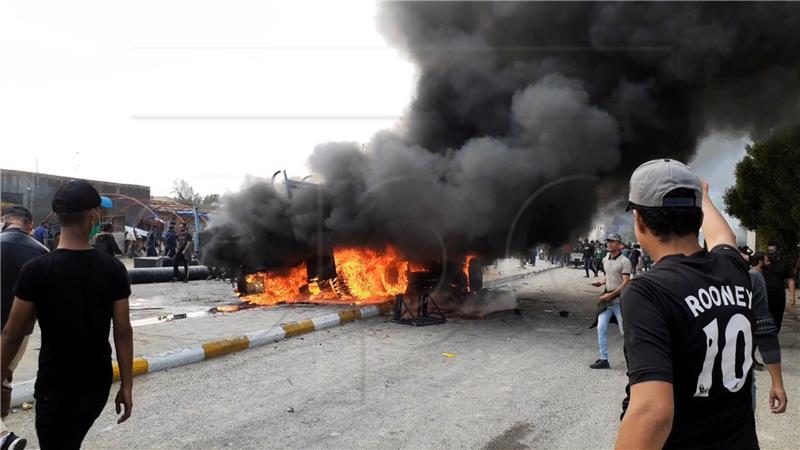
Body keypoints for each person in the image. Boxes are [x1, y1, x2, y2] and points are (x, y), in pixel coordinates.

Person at [615, 159, 783, 449]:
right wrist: (701, 193)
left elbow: (653, 413)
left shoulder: (647, 291)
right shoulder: (733, 268)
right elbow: (723, 236)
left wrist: (699, 193)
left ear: (640, 221)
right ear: (697, 216)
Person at [1, 180, 133, 450]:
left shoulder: (36, 270)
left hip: (55, 387)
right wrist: (127, 385)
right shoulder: (114, 269)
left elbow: (12, 334)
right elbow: (122, 330)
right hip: (96, 384)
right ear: (94, 215)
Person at [0, 206, 49, 450]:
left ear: (3, 222)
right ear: (30, 225)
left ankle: (3, 437)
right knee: (4, 379)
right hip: (19, 332)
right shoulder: (42, 253)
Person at [748, 251, 785, 407]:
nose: (769, 262)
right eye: (766, 260)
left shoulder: (754, 277)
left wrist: (777, 383)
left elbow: (764, 328)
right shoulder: (752, 275)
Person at [589, 233, 631, 369]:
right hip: (607, 300)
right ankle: (604, 359)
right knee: (601, 327)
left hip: (619, 300)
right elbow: (608, 276)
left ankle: (635, 360)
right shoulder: (606, 259)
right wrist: (601, 282)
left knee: (625, 332)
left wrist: (611, 295)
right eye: (608, 241)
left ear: (620, 245)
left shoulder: (625, 261)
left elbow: (626, 283)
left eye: (612, 241)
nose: (609, 243)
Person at [762, 242, 796, 332]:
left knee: (777, 318)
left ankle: (774, 335)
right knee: (765, 318)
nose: (770, 253)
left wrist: (792, 297)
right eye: (769, 250)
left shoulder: (784, 263)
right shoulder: (763, 263)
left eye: (772, 250)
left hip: (779, 296)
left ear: (777, 251)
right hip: (765, 296)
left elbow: (790, 279)